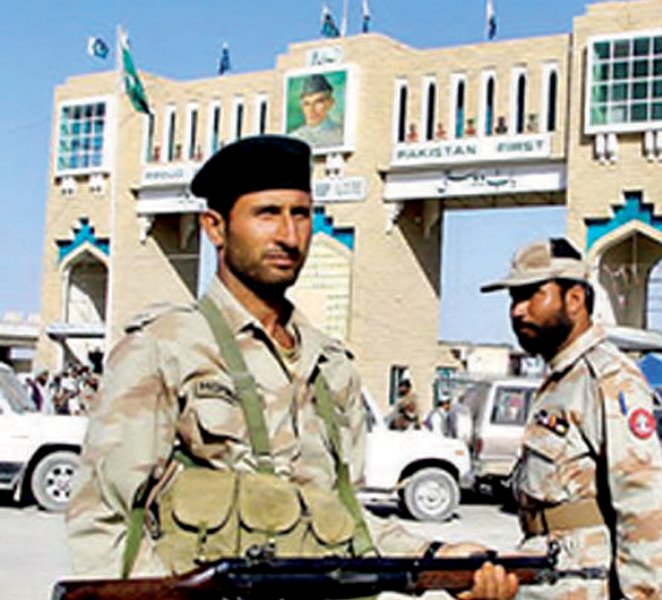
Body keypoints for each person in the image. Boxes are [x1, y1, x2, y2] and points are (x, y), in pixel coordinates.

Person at [66, 135, 516, 600]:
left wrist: (438, 556)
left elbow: (346, 523)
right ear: (215, 228)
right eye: (267, 214)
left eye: (300, 214)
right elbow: (104, 514)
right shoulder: (164, 348)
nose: (288, 234)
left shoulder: (331, 367)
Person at [480, 237, 662, 599]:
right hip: (551, 572)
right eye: (513, 299)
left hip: (586, 581)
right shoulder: (560, 379)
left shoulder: (608, 377)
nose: (517, 311)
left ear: (575, 300)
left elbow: (645, 506)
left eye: (531, 295)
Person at [290, 73, 343, 148]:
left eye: (318, 102)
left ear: (330, 103)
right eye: (307, 104)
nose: (311, 110)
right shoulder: (295, 137)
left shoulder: (341, 133)